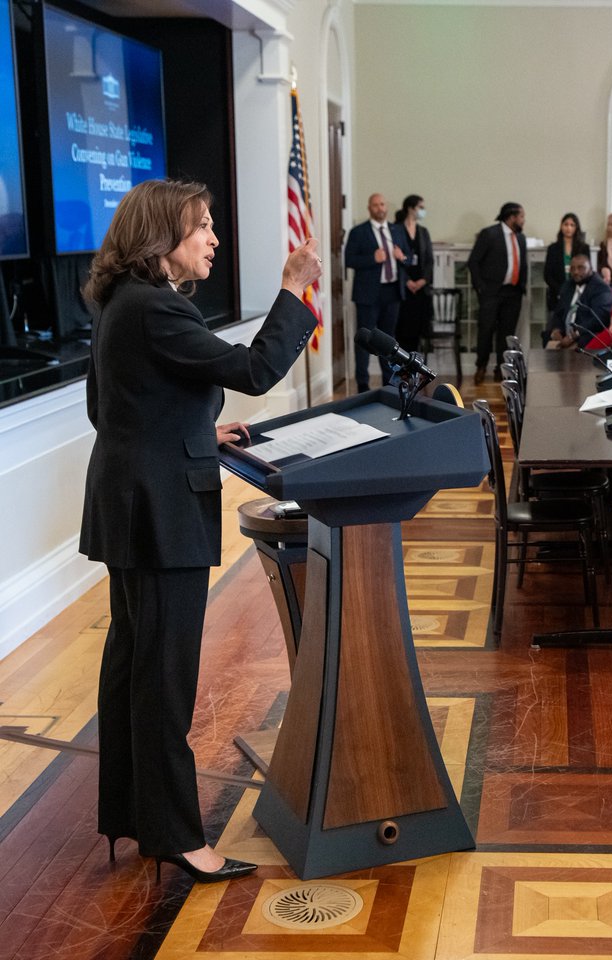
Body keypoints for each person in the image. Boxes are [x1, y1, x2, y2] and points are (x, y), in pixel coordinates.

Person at [79, 178, 322, 882]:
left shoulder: (124, 302)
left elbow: (109, 406)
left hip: (129, 504)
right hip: (158, 513)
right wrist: (292, 288)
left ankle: (136, 815)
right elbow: (255, 368)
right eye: (203, 227)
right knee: (164, 677)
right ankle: (179, 837)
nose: (214, 238)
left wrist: (192, 428)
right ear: (163, 237)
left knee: (134, 666)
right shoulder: (156, 306)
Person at [345, 192, 406, 392]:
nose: (380, 208)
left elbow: (408, 256)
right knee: (366, 339)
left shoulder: (397, 230)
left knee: (388, 341)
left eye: (382, 204)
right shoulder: (358, 232)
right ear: (369, 208)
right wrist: (373, 258)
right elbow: (349, 260)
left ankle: (389, 384)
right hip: (368, 294)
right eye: (375, 205)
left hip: (392, 291)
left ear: (386, 207)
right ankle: (362, 384)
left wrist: (402, 257)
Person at [467, 201, 526, 385]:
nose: (523, 220)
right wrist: (480, 287)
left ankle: (502, 369)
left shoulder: (521, 238)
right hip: (491, 291)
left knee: (507, 333)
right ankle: (481, 366)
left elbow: (522, 263)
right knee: (486, 330)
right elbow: (473, 261)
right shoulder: (489, 234)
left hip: (513, 292)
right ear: (511, 217)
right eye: (521, 216)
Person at [544, 252, 612, 348]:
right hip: (564, 336)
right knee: (547, 343)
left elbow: (598, 319)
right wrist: (556, 329)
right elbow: (559, 312)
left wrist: (575, 334)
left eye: (581, 268)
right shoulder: (568, 286)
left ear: (590, 269)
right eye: (572, 269)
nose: (576, 272)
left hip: (585, 337)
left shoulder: (601, 288)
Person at [392, 194, 434, 352]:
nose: (423, 211)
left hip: (420, 286)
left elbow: (429, 259)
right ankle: (400, 362)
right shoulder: (396, 230)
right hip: (403, 286)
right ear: (410, 208)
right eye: (420, 207)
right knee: (402, 327)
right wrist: (406, 281)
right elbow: (396, 259)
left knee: (417, 327)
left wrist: (424, 280)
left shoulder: (423, 232)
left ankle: (414, 362)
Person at [543, 212, 589, 316]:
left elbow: (587, 272)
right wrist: (561, 290)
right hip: (557, 294)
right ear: (561, 226)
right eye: (566, 224)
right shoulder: (553, 248)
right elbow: (547, 274)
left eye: (572, 225)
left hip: (578, 293)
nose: (568, 228)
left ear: (576, 228)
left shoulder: (584, 248)